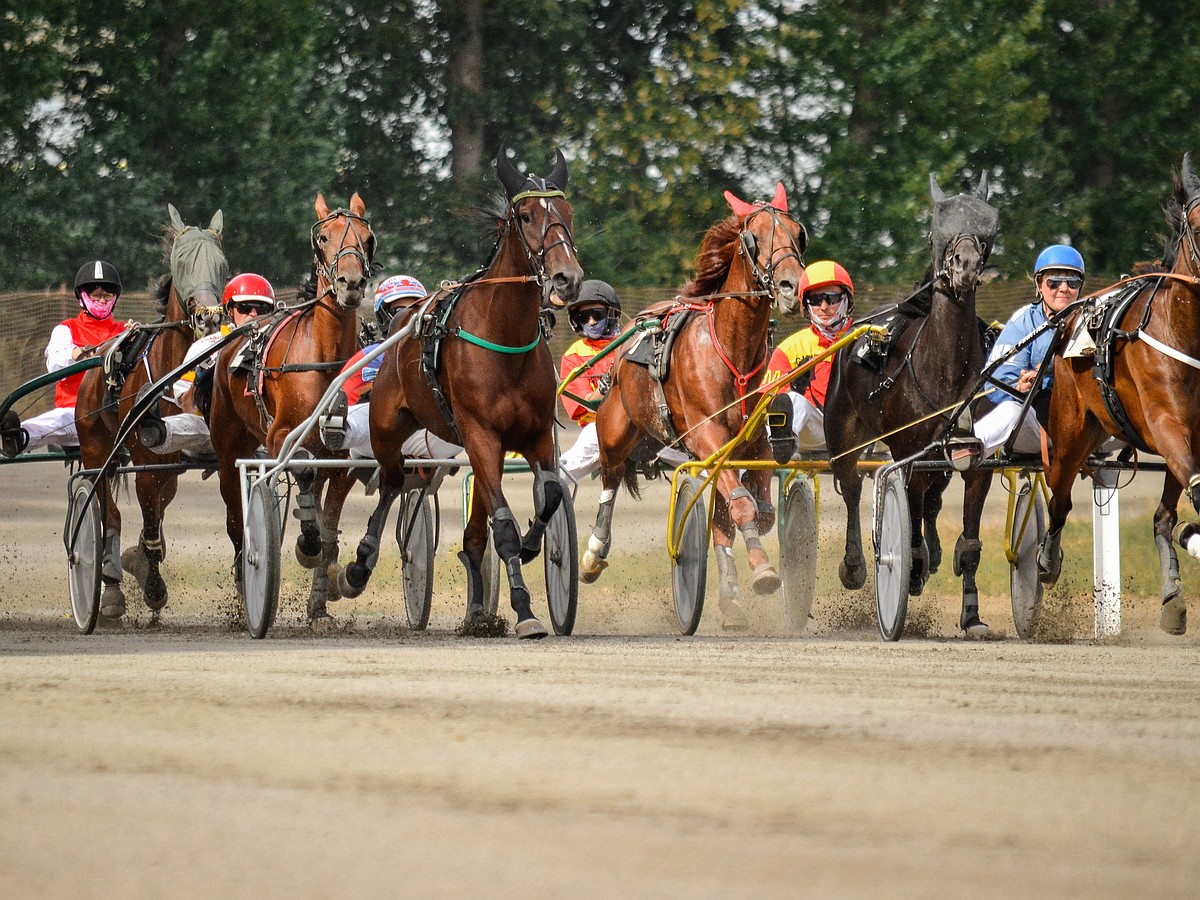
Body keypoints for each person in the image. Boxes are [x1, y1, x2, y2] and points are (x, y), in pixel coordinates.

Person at [319, 275, 462, 460]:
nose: (408, 317)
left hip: (427, 435)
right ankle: (339, 430)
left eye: (416, 309)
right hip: (375, 436)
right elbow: (347, 395)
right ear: (383, 315)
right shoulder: (371, 355)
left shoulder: (437, 353)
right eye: (400, 311)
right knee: (375, 413)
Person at [138, 272, 276, 455]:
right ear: (229, 310)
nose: (253, 314)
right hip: (212, 428)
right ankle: (155, 430)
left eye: (262, 309)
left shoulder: (277, 349)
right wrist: (201, 383)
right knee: (186, 424)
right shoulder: (205, 346)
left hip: (263, 429)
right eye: (245, 307)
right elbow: (187, 405)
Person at [2, 261, 129, 457]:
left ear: (116, 298)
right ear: (82, 298)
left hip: (119, 412)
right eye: (96, 295)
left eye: (107, 295)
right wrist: (76, 354)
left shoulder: (127, 331)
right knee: (57, 421)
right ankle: (17, 436)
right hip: (76, 412)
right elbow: (54, 364)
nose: (102, 301)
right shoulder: (66, 330)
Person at [974, 244, 1085, 457]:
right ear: (1039, 285)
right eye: (1053, 282)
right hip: (1039, 429)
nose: (1063, 288)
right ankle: (968, 449)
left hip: (1085, 429)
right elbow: (998, 380)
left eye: (1072, 282)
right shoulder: (1024, 321)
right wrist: (1018, 386)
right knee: (1011, 410)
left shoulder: (1094, 320)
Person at [763, 260, 856, 460]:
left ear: (846, 299)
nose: (824, 307)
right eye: (816, 300)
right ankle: (780, 444)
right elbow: (767, 398)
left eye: (831, 298)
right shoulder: (790, 348)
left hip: (858, 432)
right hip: (816, 431)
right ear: (806, 305)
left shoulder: (862, 338)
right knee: (793, 401)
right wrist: (792, 389)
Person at [557, 280, 624, 480]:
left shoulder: (633, 342)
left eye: (598, 314)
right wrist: (604, 391)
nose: (592, 321)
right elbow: (584, 403)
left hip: (643, 426)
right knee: (558, 477)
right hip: (599, 429)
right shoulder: (574, 355)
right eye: (584, 316)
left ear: (611, 313)